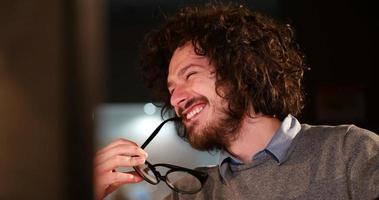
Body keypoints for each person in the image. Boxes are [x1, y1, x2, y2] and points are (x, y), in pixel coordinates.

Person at [94, 2, 379, 200]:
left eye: (190, 74)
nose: (176, 98)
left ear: (242, 70)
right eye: (171, 89)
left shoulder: (351, 153)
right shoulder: (188, 193)